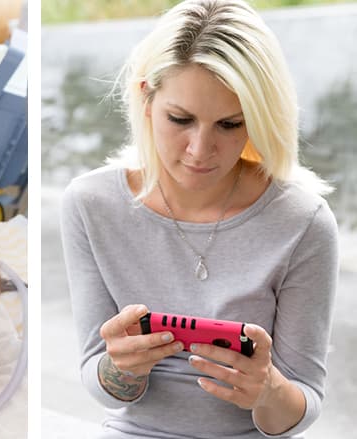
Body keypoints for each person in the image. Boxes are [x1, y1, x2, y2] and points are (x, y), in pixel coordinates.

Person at [60, 1, 338, 438]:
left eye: (230, 124)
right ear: (146, 98)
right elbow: (104, 387)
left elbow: (302, 405)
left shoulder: (303, 222)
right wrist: (120, 367)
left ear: (258, 120)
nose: (199, 149)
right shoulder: (90, 203)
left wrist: (267, 390)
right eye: (180, 119)